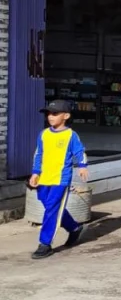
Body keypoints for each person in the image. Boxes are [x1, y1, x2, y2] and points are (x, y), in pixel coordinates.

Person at [29, 100, 89, 259]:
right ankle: (74, 228)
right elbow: (38, 154)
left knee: (51, 210)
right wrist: (35, 173)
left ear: (66, 116)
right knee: (49, 205)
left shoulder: (71, 135)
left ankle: (44, 243)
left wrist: (82, 166)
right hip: (44, 178)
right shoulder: (44, 134)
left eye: (55, 114)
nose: (50, 117)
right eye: (48, 114)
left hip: (61, 179)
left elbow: (80, 151)